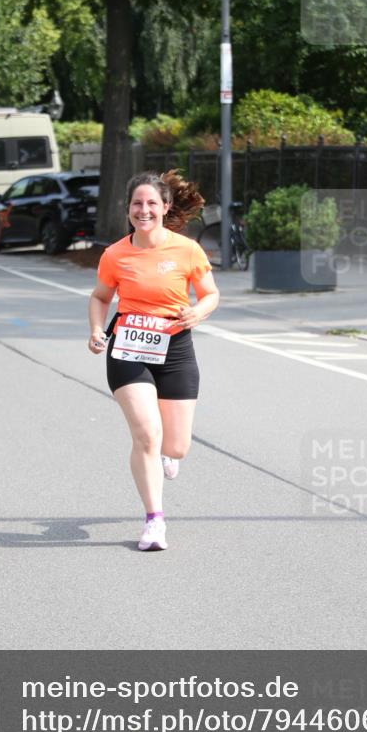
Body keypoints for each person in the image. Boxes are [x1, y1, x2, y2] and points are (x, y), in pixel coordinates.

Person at [88, 170, 219, 551]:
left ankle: (167, 454)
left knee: (176, 446)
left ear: (164, 207)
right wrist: (97, 330)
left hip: (175, 347)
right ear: (127, 209)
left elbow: (210, 294)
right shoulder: (115, 254)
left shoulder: (187, 250)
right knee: (146, 433)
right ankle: (154, 521)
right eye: (136, 204)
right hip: (129, 347)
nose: (143, 210)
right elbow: (99, 297)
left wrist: (198, 313)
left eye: (150, 204)